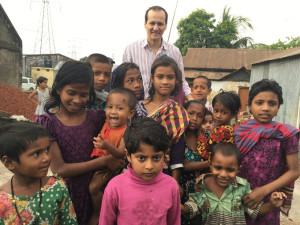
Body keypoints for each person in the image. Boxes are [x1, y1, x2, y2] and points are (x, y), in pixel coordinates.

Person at [35, 61, 124, 225]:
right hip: (66, 194)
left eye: (83, 95)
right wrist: (104, 161)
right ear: (58, 88)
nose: (77, 100)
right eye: (71, 92)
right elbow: (60, 168)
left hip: (95, 190)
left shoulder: (96, 118)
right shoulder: (48, 123)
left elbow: (120, 134)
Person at [234, 79, 300, 225]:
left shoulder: (286, 134)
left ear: (278, 107)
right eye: (259, 102)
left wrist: (263, 191)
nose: (265, 108)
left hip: (268, 200)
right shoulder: (238, 133)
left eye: (272, 103)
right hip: (238, 198)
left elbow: (295, 171)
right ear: (249, 106)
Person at [99, 118, 181, 225]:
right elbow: (105, 221)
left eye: (156, 158)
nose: (149, 166)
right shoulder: (115, 187)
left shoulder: (171, 186)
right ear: (128, 155)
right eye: (141, 158)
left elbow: (174, 221)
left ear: (164, 155)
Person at [181, 142, 287, 225]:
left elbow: (256, 210)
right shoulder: (201, 187)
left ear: (238, 169)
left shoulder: (242, 188)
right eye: (218, 168)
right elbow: (191, 208)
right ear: (210, 165)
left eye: (230, 170)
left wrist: (272, 205)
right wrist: (181, 208)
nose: (223, 174)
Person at [0, 120, 78, 224]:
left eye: (47, 150)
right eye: (36, 153)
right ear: (9, 162)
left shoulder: (57, 187)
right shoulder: (2, 200)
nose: (46, 158)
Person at [134, 55, 189, 185]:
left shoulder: (179, 113)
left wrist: (174, 182)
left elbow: (177, 150)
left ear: (176, 80)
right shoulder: (137, 108)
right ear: (152, 78)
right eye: (160, 77)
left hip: (163, 174)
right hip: (137, 171)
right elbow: (130, 143)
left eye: (170, 77)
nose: (165, 82)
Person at [123, 5, 193, 105]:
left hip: (166, 109)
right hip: (137, 108)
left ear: (165, 26)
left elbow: (181, 81)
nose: (156, 28)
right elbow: (124, 81)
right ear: (145, 24)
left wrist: (192, 100)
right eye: (152, 23)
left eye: (160, 24)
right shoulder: (131, 49)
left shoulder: (175, 52)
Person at [88, 88, 137, 225]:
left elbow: (121, 153)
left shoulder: (126, 131)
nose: (113, 112)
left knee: (93, 188)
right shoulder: (107, 123)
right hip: (100, 163)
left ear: (130, 113)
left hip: (111, 166)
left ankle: (99, 214)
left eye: (119, 108)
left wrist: (106, 146)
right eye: (109, 107)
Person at [180, 100, 210, 225]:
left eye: (199, 116)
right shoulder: (178, 137)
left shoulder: (206, 138)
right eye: (191, 113)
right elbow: (183, 165)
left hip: (202, 191)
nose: (194, 118)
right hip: (181, 191)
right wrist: (209, 163)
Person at [197, 90, 241, 160]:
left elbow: (204, 153)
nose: (218, 116)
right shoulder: (226, 128)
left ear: (233, 114)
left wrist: (200, 136)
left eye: (224, 112)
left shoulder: (223, 130)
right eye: (216, 111)